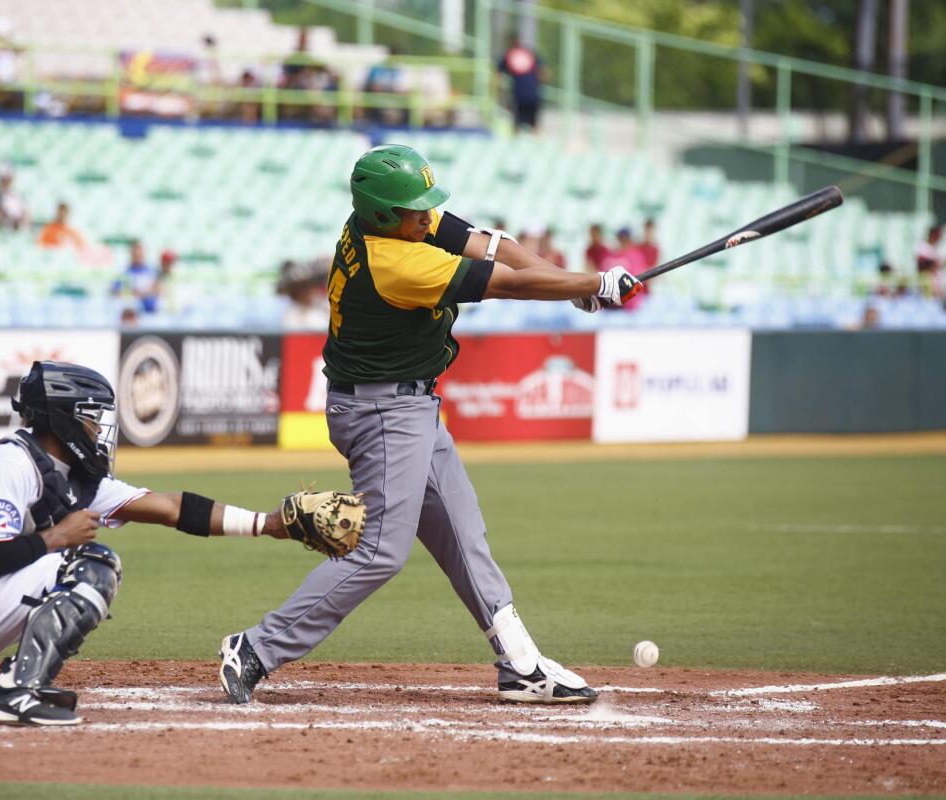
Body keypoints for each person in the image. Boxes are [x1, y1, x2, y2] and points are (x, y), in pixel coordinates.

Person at [218, 144, 640, 706]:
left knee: (464, 535)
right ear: (384, 215)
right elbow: (507, 282)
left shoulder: (396, 222)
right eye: (415, 210)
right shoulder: (395, 263)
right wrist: (590, 286)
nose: (428, 216)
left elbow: (500, 247)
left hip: (408, 406)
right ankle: (255, 649)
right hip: (382, 413)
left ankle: (521, 665)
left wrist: (569, 284)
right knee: (378, 553)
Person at [0, 361, 352, 726]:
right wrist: (55, 537)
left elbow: (172, 508)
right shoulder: (10, 464)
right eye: (92, 418)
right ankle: (17, 693)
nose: (99, 429)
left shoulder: (71, 478)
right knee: (90, 564)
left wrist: (270, 524)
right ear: (63, 418)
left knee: (50, 572)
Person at [497, 36, 544, 133]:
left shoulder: (509, 55)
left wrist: (499, 89)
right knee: (534, 124)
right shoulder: (530, 53)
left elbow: (498, 73)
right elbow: (543, 72)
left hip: (518, 93)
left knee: (516, 124)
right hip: (533, 93)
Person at [112, 240, 159, 313]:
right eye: (135, 253)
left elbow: (157, 289)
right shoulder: (125, 273)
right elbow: (116, 292)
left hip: (152, 312)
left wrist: (142, 293)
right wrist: (135, 294)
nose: (137, 255)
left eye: (139, 253)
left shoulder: (152, 271)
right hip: (132, 313)